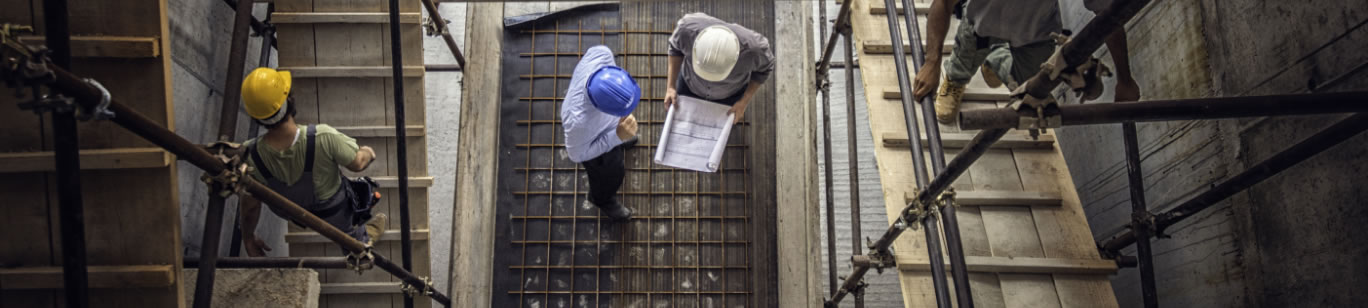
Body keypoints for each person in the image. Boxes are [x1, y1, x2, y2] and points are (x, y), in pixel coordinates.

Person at [236, 67, 387, 256]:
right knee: (349, 226)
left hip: (294, 214)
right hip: (333, 214)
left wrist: (248, 239)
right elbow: (357, 164)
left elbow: (250, 207)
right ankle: (360, 242)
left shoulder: (249, 155)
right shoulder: (323, 137)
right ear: (289, 100)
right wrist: (368, 152)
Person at [915, 0, 1141, 123]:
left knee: (1032, 93)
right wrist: (931, 63)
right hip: (982, 27)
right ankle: (956, 80)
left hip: (1035, 36)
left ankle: (997, 59)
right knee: (965, 57)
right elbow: (943, 3)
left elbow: (1108, 14)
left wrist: (1125, 79)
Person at [562, 46, 640, 221]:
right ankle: (601, 199)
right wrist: (616, 137)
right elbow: (577, 154)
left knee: (619, 145)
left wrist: (619, 132)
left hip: (607, 127)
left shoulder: (602, 54)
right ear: (602, 109)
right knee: (612, 174)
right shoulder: (579, 123)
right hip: (592, 142)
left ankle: (620, 140)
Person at [664, 12, 774, 123]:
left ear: (736, 58)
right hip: (689, 85)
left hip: (729, 95)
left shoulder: (755, 50)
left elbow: (765, 70)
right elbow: (675, 49)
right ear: (696, 46)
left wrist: (743, 102)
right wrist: (671, 87)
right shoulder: (686, 30)